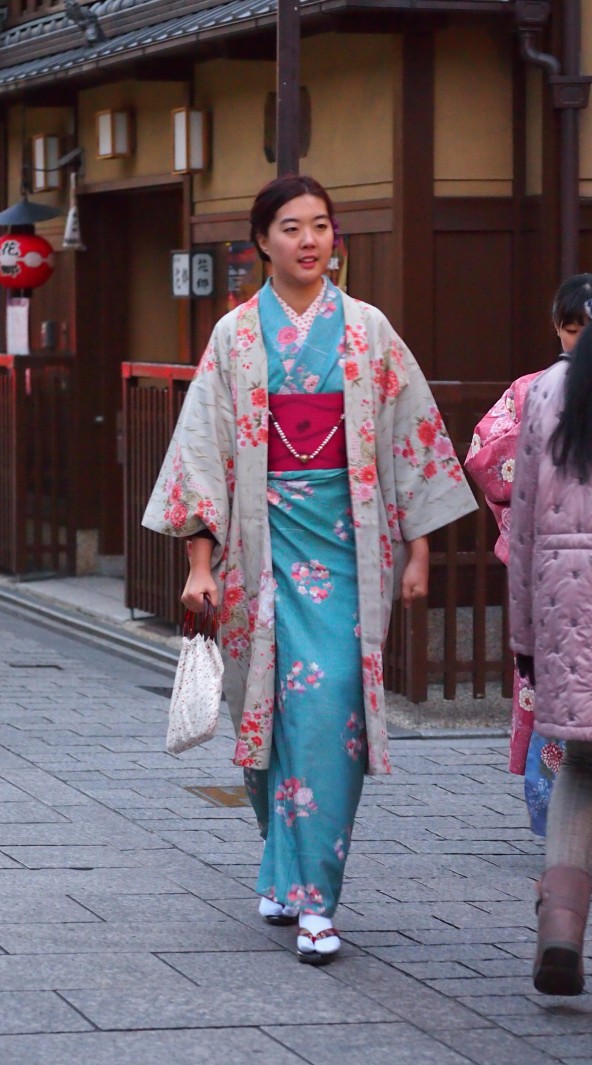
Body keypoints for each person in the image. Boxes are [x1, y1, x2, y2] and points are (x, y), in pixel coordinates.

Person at [143, 174, 477, 964]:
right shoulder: (235, 337)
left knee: (331, 707)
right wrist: (199, 561)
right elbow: (203, 449)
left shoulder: (368, 331)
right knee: (259, 706)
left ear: (335, 239)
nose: (308, 241)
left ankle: (317, 900)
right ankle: (281, 861)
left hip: (349, 541)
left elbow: (410, 435)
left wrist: (420, 543)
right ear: (262, 241)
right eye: (290, 228)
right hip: (256, 547)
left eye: (320, 226)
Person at [465, 274, 592, 835]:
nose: (580, 340)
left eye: (587, 329)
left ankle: (567, 846)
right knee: (558, 698)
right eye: (572, 329)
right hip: (560, 576)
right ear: (556, 328)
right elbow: (484, 456)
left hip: (556, 570)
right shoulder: (532, 390)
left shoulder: (535, 391)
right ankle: (561, 832)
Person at [509, 296, 592, 996]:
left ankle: (562, 929)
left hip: (571, 606)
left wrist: (525, 641)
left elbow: (525, 527)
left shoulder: (548, 389)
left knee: (584, 768)